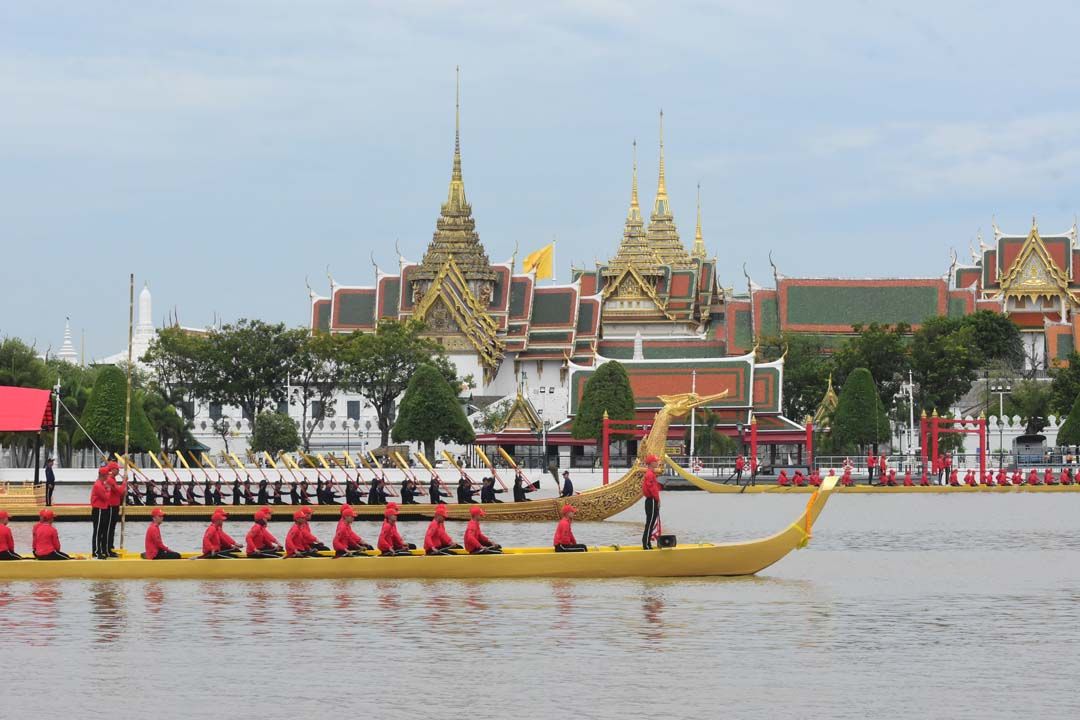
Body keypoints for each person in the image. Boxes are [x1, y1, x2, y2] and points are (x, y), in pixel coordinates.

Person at [90, 465, 112, 559]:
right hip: (98, 509)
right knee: (98, 531)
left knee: (102, 530)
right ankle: (96, 551)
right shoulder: (98, 485)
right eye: (107, 474)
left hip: (103, 508)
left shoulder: (102, 484)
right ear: (104, 475)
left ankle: (101, 550)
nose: (108, 476)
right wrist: (108, 489)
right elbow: (105, 497)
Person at [641, 454, 661, 550]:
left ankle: (647, 543)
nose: (657, 463)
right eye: (655, 461)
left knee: (651, 522)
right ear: (651, 463)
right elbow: (652, 489)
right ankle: (646, 544)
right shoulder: (650, 474)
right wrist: (657, 500)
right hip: (652, 500)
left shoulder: (650, 473)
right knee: (650, 522)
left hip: (651, 500)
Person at [106, 463, 126, 557]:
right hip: (111, 507)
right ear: (113, 470)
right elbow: (120, 491)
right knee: (110, 528)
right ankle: (108, 549)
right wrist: (124, 482)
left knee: (112, 528)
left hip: (115, 506)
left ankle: (110, 547)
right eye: (117, 469)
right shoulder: (110, 480)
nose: (119, 471)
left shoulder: (113, 479)